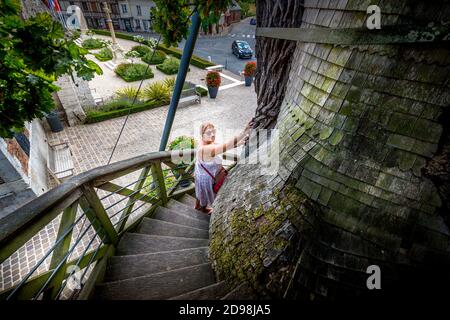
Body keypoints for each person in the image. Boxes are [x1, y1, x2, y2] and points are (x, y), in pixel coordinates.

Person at [194, 121, 253, 214]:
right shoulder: (205, 149)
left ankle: (198, 206)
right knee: (205, 192)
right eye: (209, 133)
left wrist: (239, 143)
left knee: (201, 191)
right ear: (202, 134)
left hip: (201, 174)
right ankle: (203, 208)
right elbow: (225, 146)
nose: (213, 135)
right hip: (207, 178)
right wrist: (244, 132)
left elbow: (220, 146)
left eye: (214, 131)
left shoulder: (205, 142)